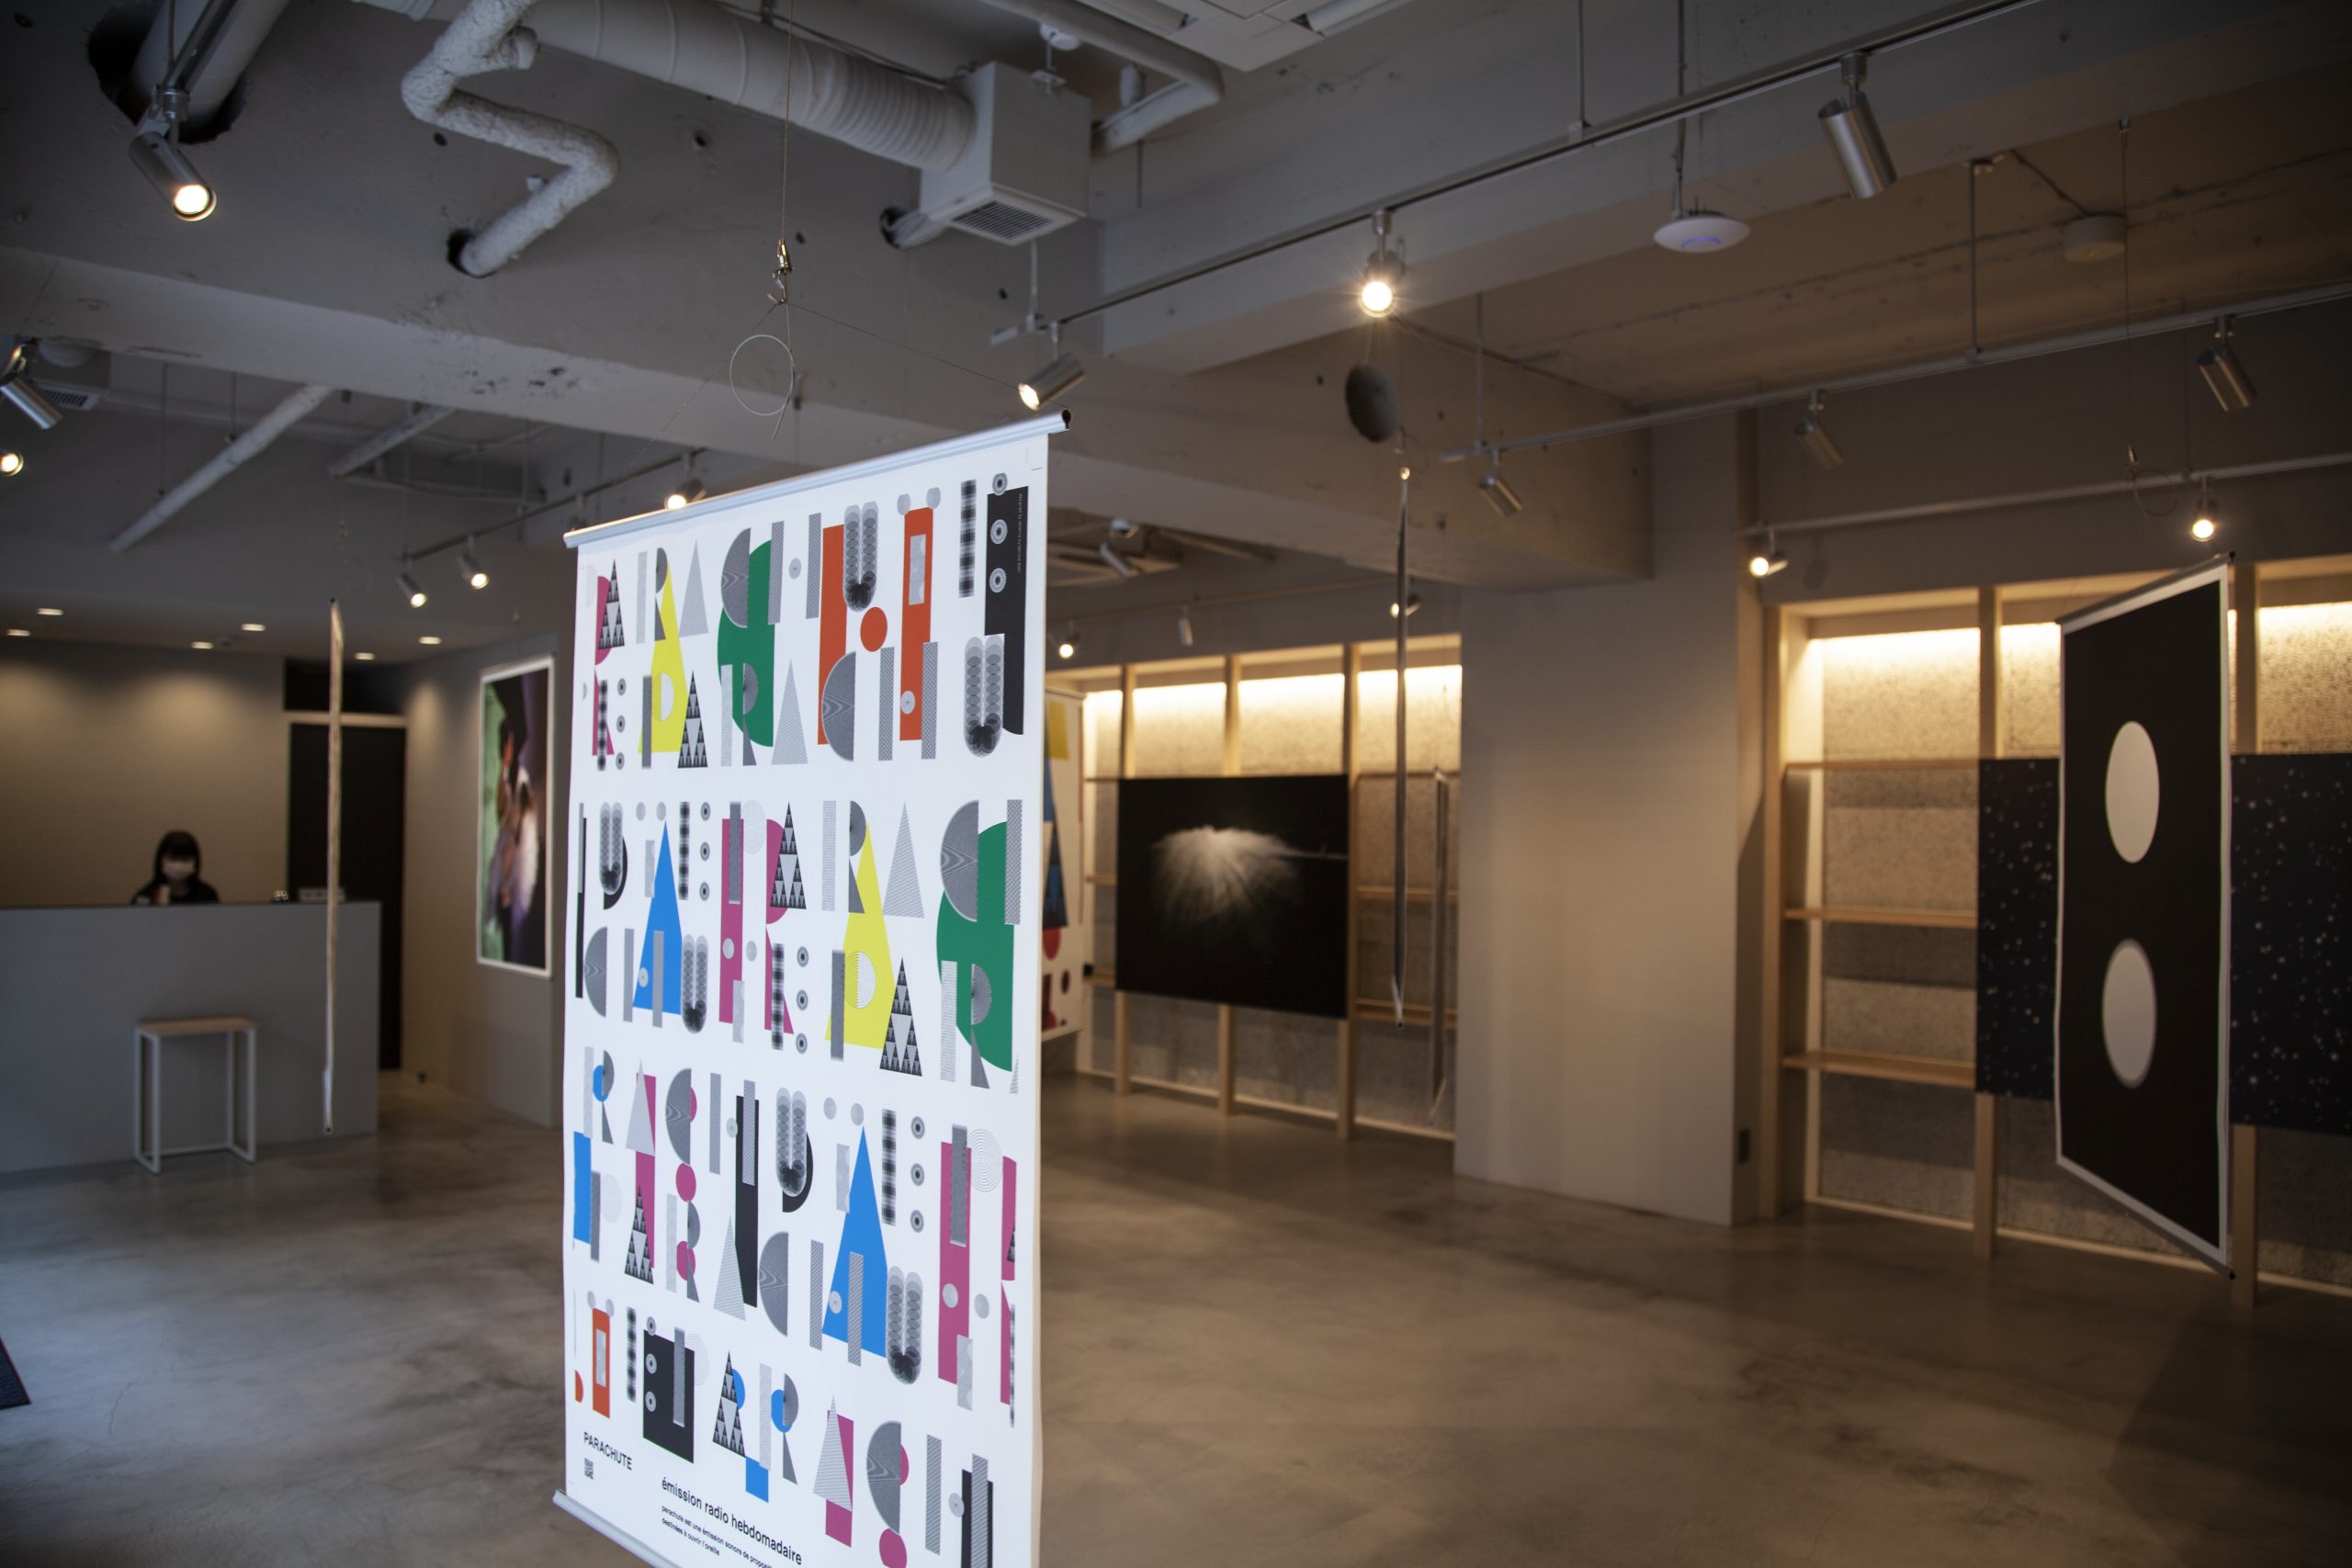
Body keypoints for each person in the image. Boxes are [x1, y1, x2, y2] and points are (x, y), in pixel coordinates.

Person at [131, 830, 220, 906]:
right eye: (173, 858)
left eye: (185, 859)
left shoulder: (207, 896)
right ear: (161, 861)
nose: (178, 864)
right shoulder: (146, 897)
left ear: (195, 862)